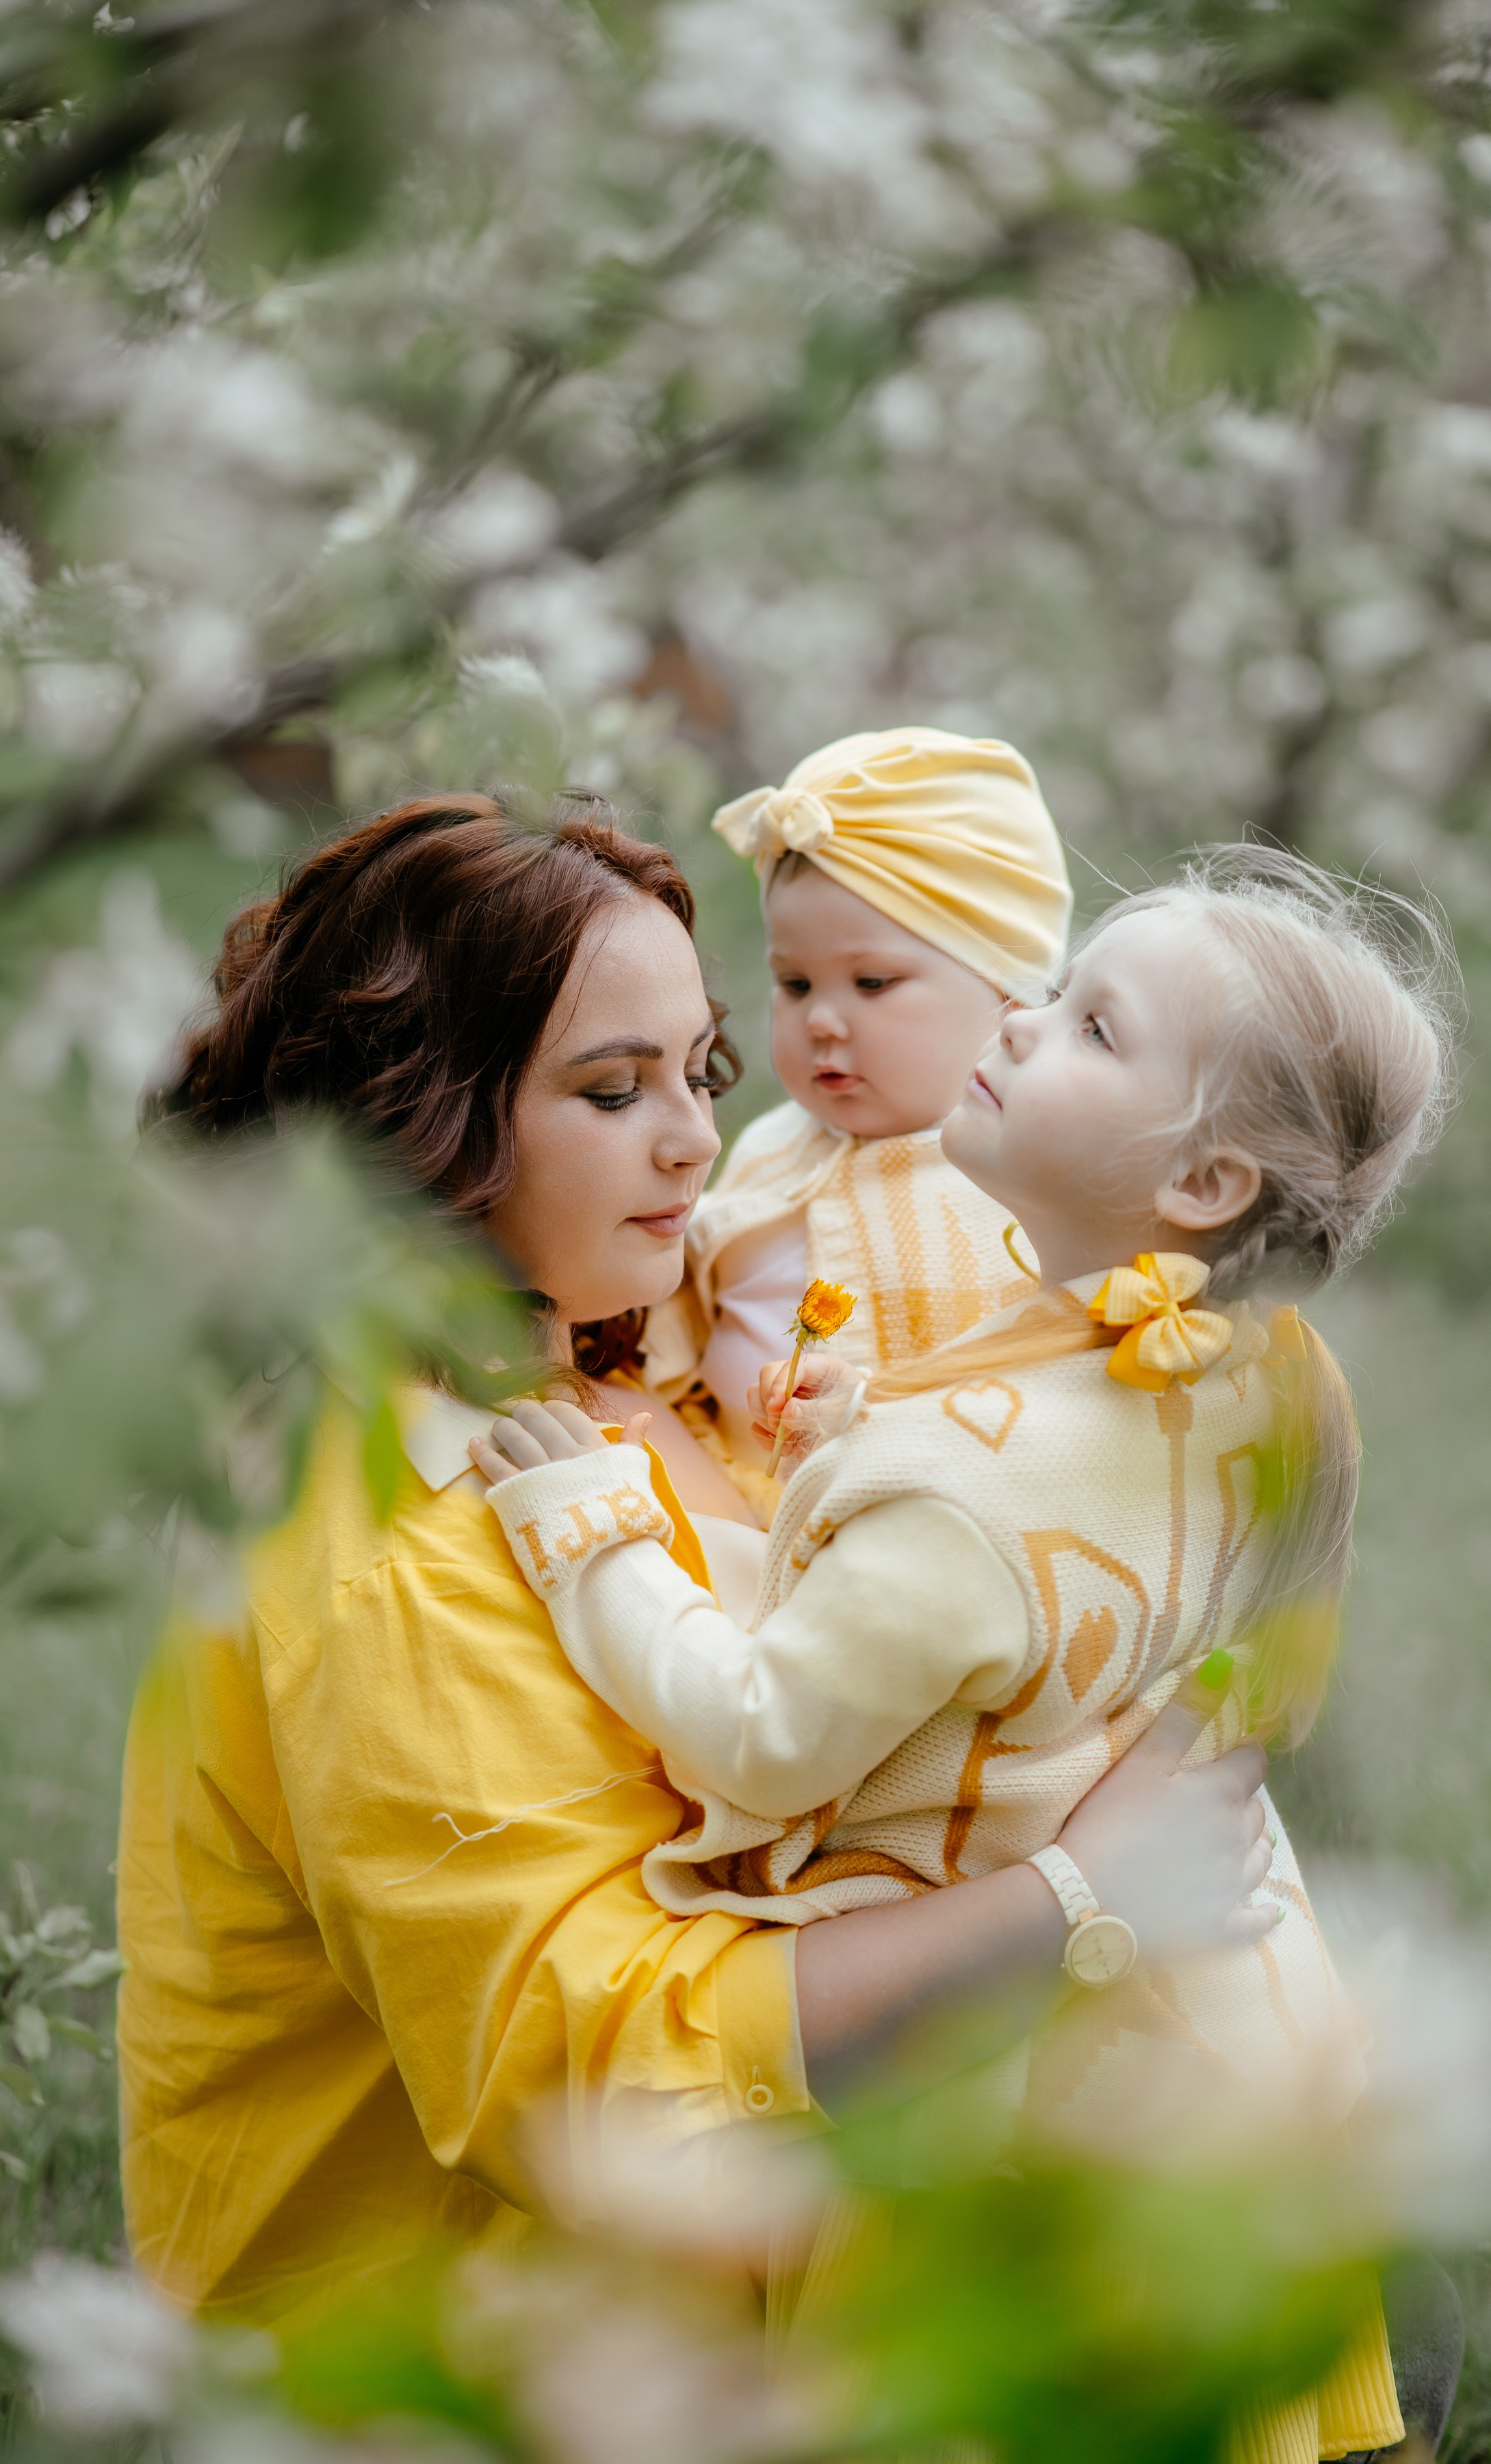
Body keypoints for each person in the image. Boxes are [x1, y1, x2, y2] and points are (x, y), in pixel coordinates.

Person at [116, 794, 1277, 2337]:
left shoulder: (617, 1337)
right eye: (612, 1090)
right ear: (415, 1124)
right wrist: (1076, 1900)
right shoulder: (389, 1525)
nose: (694, 1137)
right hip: (475, 2366)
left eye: (701, 1069)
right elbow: (605, 2087)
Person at [471, 851, 1461, 2464]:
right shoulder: (1280, 1378)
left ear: (1201, 1181)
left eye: (1089, 1026)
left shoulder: (958, 1498)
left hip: (1001, 2109)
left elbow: (754, 1733)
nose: (1014, 1020)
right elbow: (1223, 1650)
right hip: (1224, 2047)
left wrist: (592, 1529)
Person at [640, 727, 1073, 1515]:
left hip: (937, 1532)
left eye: (871, 982)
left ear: (1010, 995)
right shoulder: (768, 1150)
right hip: (733, 1503)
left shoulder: (1037, 1179)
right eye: (795, 984)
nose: (821, 1021)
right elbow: (679, 1316)